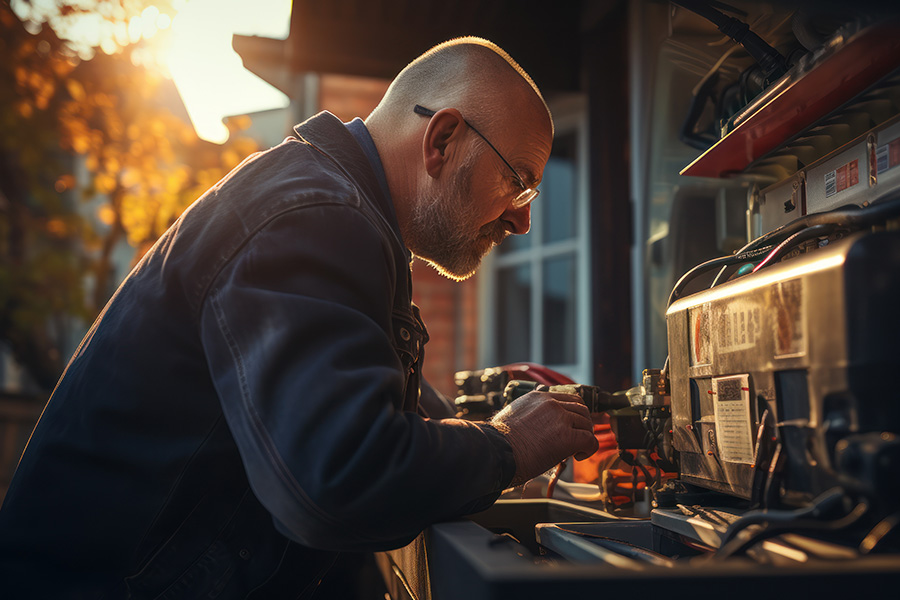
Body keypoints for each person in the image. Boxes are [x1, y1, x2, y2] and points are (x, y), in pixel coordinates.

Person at [0, 37, 599, 598]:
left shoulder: (334, 208)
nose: (522, 221)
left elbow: (384, 413)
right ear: (442, 140)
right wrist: (507, 444)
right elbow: (338, 477)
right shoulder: (313, 215)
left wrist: (501, 427)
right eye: (518, 182)